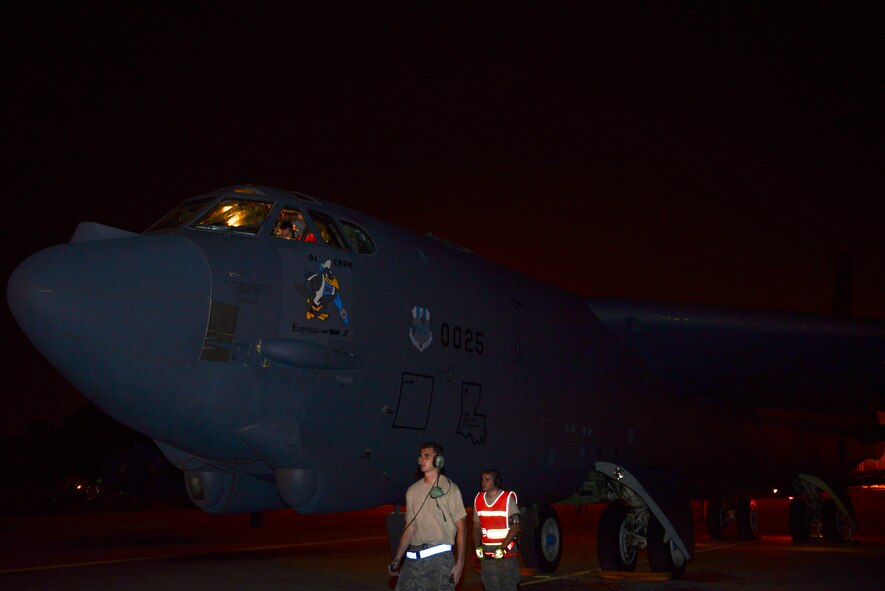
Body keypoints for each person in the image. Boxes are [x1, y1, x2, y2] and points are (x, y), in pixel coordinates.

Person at [388, 442, 467, 590]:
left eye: (427, 456)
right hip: (413, 558)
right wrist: (397, 558)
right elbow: (410, 527)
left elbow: (462, 529)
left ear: (439, 460)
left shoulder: (450, 489)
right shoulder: (412, 491)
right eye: (420, 456)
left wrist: (460, 563)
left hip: (439, 560)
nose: (421, 460)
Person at [473, 469, 521, 590]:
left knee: (507, 583)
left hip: (505, 551)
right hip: (487, 551)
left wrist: (503, 547)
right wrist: (477, 546)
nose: (483, 482)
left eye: (487, 480)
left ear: (496, 481)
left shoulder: (507, 498)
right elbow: (476, 526)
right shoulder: (478, 499)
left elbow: (515, 526)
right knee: (489, 583)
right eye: (482, 480)